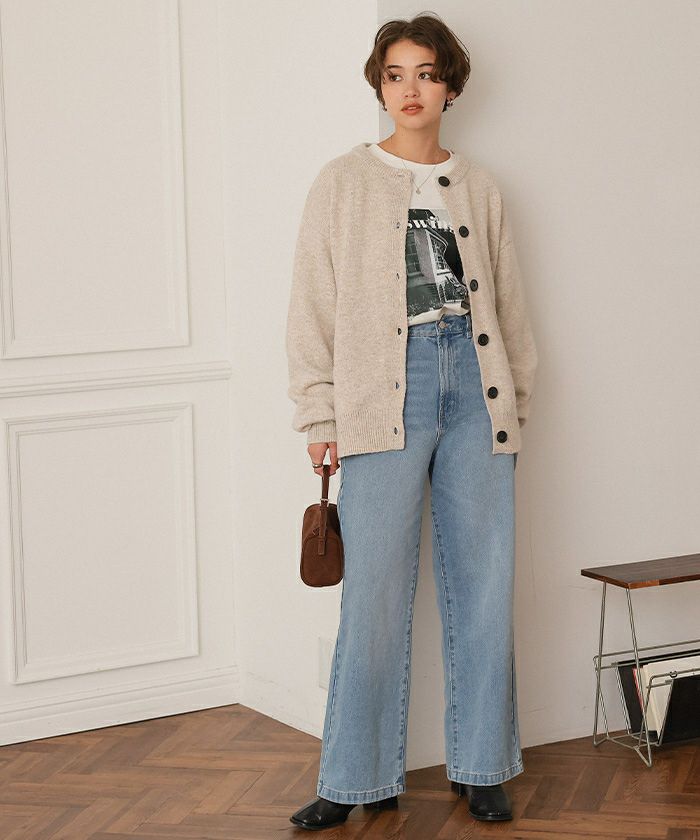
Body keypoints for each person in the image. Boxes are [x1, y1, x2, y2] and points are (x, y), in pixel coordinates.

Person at [285, 12, 538, 831]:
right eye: (395, 75)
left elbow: (510, 308)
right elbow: (312, 303)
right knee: (373, 593)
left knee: (484, 584)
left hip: (476, 389)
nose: (410, 89)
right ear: (380, 85)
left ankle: (481, 767)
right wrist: (319, 411)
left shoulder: (481, 186)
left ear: (450, 87)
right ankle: (353, 778)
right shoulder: (343, 181)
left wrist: (514, 401)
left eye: (426, 74)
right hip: (381, 394)